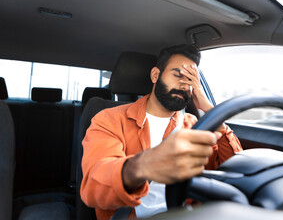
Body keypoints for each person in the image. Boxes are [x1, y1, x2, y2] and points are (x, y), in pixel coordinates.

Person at [80, 44, 243, 220]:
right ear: (155, 75)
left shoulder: (194, 124)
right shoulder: (109, 119)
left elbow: (235, 172)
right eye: (178, 75)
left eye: (191, 80)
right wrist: (144, 165)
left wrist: (211, 112)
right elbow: (94, 187)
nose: (184, 85)